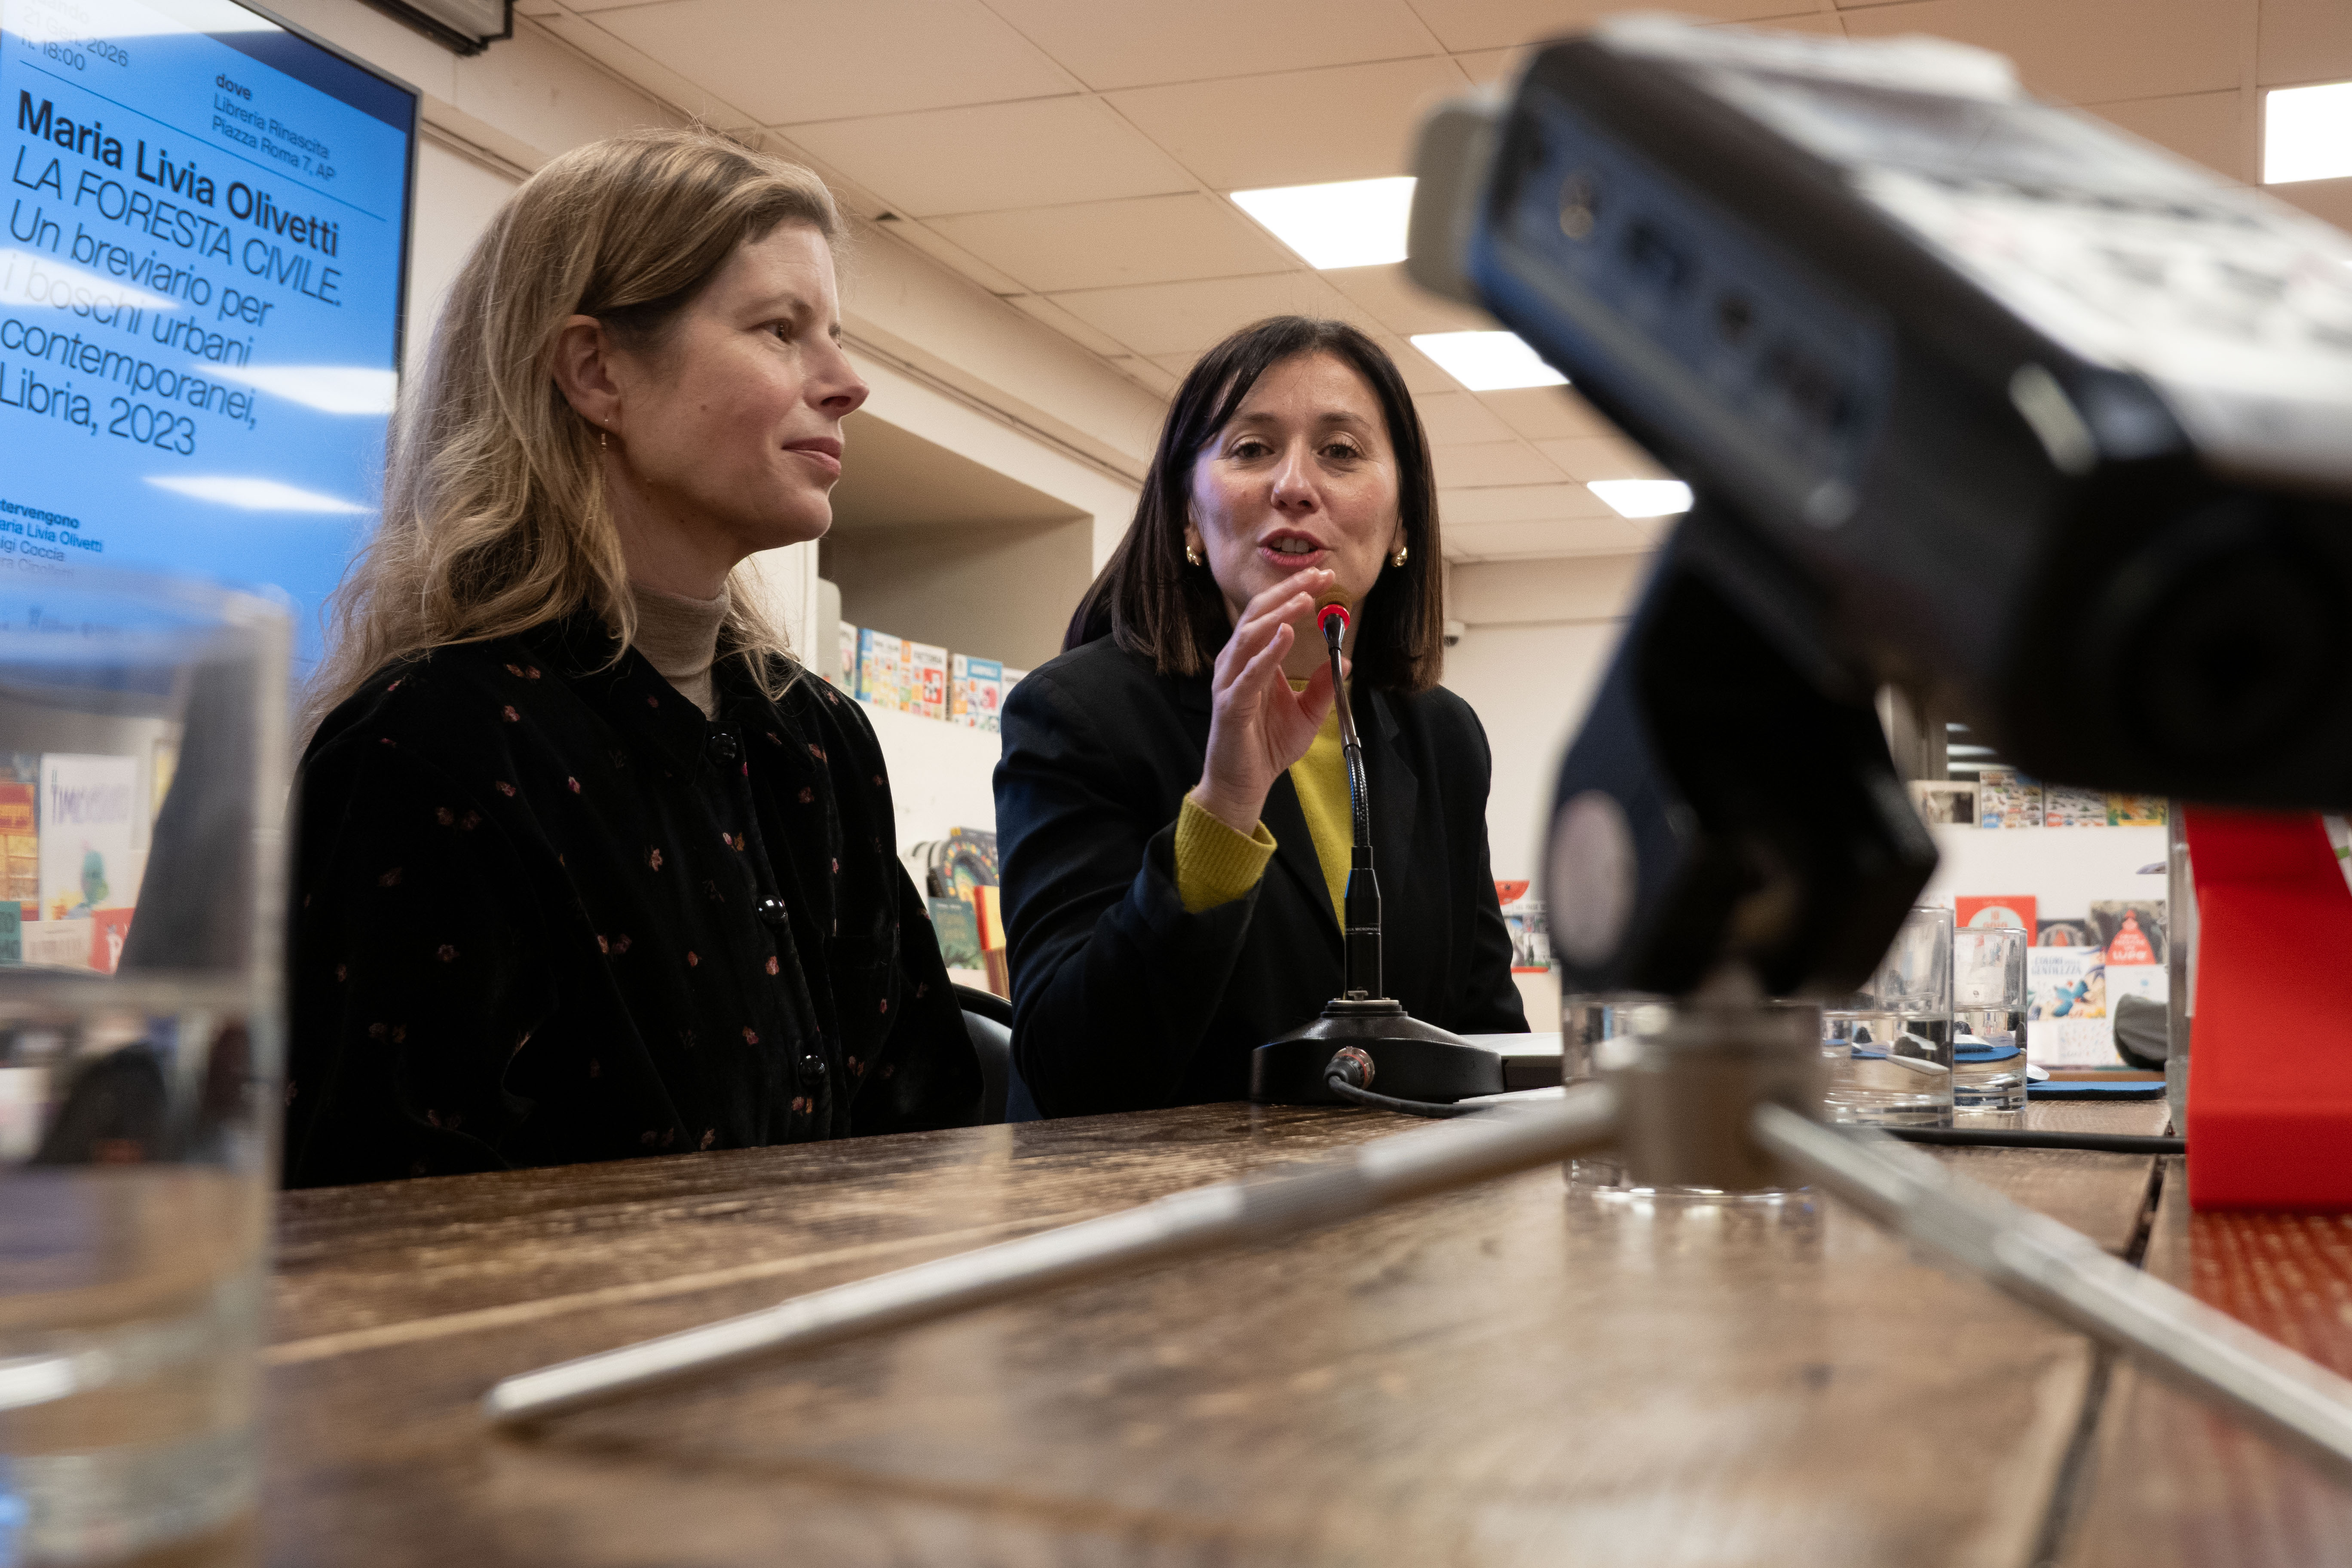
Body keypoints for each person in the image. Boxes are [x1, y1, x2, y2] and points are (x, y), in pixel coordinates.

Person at [283, 130, 979, 1187]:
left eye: (833, 335)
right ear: (596, 370)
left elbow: (922, 1124)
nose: (848, 383)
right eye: (781, 329)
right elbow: (380, 1211)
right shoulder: (429, 749)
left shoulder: (820, 743)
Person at [995, 316, 1527, 1117]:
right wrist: (1226, 806)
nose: (1295, 485)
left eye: (1341, 451)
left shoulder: (1442, 736)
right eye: (1251, 449)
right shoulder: (1078, 714)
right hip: (1166, 1193)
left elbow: (1485, 1037)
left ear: (1403, 523)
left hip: (1399, 1191)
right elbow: (1072, 1075)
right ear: (1188, 516)